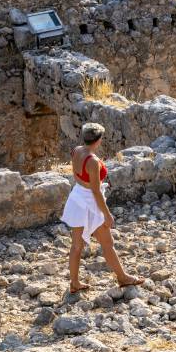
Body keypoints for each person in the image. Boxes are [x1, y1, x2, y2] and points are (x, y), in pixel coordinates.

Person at [61, 122, 143, 293]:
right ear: (98, 140)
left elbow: (77, 175)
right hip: (90, 203)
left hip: (77, 199)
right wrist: (107, 214)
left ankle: (74, 283)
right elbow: (97, 192)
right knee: (108, 243)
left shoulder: (76, 150)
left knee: (76, 246)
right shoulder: (93, 161)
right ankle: (123, 277)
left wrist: (85, 184)